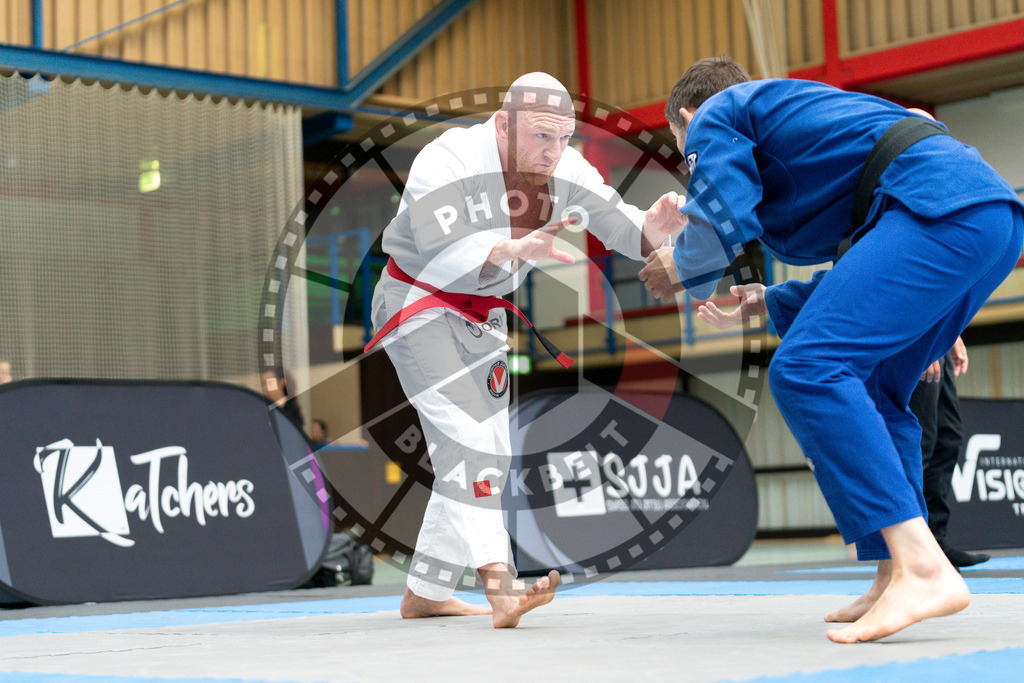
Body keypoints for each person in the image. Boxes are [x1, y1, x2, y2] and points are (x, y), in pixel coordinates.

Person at [639, 57, 1023, 642]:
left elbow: (721, 219)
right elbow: (864, 266)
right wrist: (770, 299)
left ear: (686, 117)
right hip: (984, 219)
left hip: (937, 211)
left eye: (679, 143)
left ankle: (924, 567)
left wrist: (681, 261)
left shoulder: (718, 112)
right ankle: (893, 569)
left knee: (805, 369)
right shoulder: (809, 124)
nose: (690, 157)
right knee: (878, 391)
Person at [366, 72, 684, 628]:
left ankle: (426, 592)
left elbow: (618, 224)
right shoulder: (451, 158)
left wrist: (654, 229)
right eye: (542, 136)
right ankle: (501, 585)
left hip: (483, 316)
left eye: (563, 138)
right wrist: (507, 247)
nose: (554, 151)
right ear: (504, 123)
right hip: (416, 301)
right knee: (469, 441)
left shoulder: (564, 167)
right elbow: (438, 240)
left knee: (487, 447)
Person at [911, 338, 989, 568]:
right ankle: (912, 549)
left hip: (939, 337)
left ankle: (936, 542)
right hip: (921, 332)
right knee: (921, 442)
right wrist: (925, 336)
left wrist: (952, 335)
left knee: (948, 438)